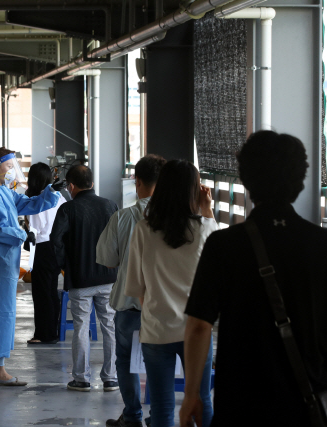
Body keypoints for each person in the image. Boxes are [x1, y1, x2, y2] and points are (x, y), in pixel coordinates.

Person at [180, 131, 327, 427]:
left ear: (246, 181)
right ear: (300, 182)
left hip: (241, 404)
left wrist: (191, 395)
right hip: (307, 405)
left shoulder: (224, 246)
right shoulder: (324, 244)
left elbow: (199, 326)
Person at [123, 160, 217, 427]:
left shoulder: (143, 230)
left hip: (156, 330)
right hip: (196, 331)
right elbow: (216, 282)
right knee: (202, 400)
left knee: (162, 407)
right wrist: (207, 210)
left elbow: (137, 287)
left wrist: (154, 311)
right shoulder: (205, 229)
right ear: (194, 191)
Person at [0, 147, 64, 386]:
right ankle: (0, 369)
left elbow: (29, 204)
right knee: (3, 314)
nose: (12, 169)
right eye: (9, 165)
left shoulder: (2, 191)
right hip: (2, 262)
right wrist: (22, 234)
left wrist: (50, 191)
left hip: (4, 261)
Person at [97, 154, 166, 427]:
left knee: (124, 361)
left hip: (128, 304)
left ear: (137, 182)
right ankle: (159, 416)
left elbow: (107, 259)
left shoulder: (122, 217)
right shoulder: (177, 221)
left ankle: (132, 416)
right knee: (160, 364)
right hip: (163, 308)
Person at [50, 165, 120, 393]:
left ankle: (81, 379)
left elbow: (56, 241)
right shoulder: (110, 205)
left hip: (80, 279)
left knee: (81, 327)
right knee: (109, 326)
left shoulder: (68, 209)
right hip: (109, 278)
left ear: (71, 186)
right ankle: (111, 378)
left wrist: (64, 266)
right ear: (92, 182)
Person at [25, 162, 65, 344]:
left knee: (41, 293)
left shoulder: (37, 200)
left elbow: (35, 228)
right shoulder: (59, 196)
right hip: (58, 247)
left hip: (42, 247)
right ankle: (53, 331)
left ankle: (43, 334)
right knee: (51, 291)